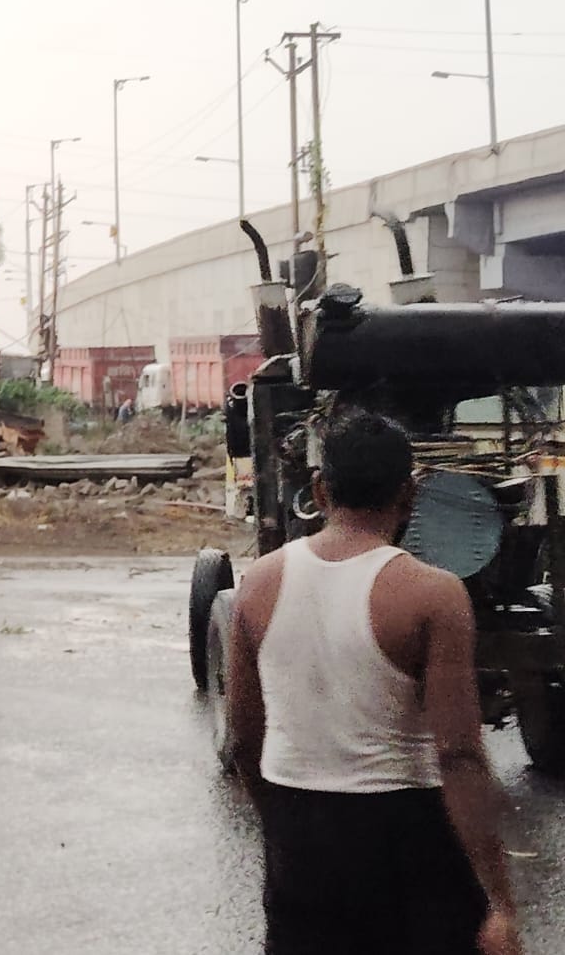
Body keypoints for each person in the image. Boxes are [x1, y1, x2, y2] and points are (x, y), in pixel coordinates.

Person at [226, 409, 523, 955]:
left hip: (301, 837)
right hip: (408, 838)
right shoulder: (432, 594)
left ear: (319, 488)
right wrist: (498, 900)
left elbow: (244, 741)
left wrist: (285, 830)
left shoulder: (257, 586)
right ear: (410, 494)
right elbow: (458, 754)